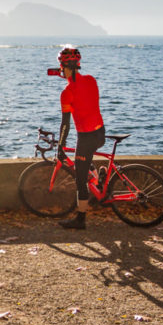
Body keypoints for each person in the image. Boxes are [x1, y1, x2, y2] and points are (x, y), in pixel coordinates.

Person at [55, 46, 105, 230]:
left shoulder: (67, 93)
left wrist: (60, 146)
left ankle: (80, 219)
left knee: (80, 179)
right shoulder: (91, 80)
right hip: (101, 133)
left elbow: (65, 125)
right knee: (83, 160)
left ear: (63, 67)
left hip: (86, 137)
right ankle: (99, 180)